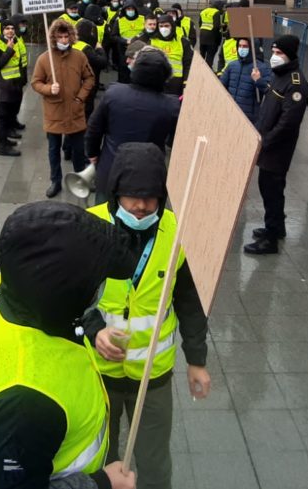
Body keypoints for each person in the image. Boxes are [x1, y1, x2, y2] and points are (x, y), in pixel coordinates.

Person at [0, 200, 138, 489]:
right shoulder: (22, 407)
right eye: (96, 282)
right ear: (64, 299)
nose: (100, 287)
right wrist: (102, 483)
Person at [84, 143, 209, 489]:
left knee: (154, 462)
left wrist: (197, 360)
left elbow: (190, 302)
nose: (140, 206)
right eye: (131, 196)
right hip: (98, 374)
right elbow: (68, 299)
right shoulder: (89, 227)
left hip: (153, 376)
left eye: (151, 197)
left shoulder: (178, 232)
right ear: (115, 193)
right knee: (98, 458)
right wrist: (94, 331)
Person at [86, 47, 180, 204]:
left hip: (110, 173)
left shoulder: (113, 93)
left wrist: (93, 153)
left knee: (101, 219)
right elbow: (174, 142)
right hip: (147, 181)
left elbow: (94, 129)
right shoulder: (171, 106)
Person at [243, 35, 308, 255]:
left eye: (279, 53)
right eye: (273, 52)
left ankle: (270, 240)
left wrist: (267, 141)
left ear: (289, 54)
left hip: (277, 148)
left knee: (271, 190)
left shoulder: (296, 83)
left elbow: (288, 122)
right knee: (269, 188)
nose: (274, 57)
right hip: (268, 143)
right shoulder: (278, 75)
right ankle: (277, 227)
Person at [31, 18, 94, 198]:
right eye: (60, 37)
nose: (64, 40)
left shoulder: (80, 57)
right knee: (53, 150)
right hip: (54, 112)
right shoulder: (44, 59)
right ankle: (55, 181)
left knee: (78, 149)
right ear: (54, 38)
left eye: (67, 36)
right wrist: (48, 89)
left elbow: (89, 78)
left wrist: (80, 98)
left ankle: (81, 180)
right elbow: (35, 82)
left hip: (75, 112)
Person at [0, 20, 23, 157]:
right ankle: (2, 146)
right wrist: (9, 49)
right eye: (7, 28)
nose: (10, 31)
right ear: (2, 30)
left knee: (10, 114)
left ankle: (5, 139)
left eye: (12, 28)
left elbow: (18, 63)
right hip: (3, 87)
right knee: (2, 116)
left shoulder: (16, 41)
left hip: (14, 84)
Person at [219, 36, 269, 123]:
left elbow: (269, 91)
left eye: (245, 46)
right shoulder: (232, 66)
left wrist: (258, 80)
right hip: (229, 113)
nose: (242, 49)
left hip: (248, 118)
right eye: (240, 46)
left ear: (252, 48)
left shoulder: (261, 68)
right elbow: (220, 87)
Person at [72, 19, 108, 119]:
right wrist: (100, 49)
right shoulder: (86, 48)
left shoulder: (71, 44)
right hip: (85, 87)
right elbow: (102, 62)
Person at [154, 14, 193, 96]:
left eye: (166, 26)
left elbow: (188, 64)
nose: (163, 29)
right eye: (161, 26)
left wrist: (186, 83)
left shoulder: (183, 42)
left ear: (172, 26)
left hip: (176, 83)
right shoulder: (152, 41)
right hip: (157, 81)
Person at [114, 0, 143, 84]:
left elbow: (145, 32)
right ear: (125, 10)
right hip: (124, 50)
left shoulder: (142, 19)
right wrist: (125, 41)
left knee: (137, 72)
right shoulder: (119, 20)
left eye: (132, 9)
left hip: (139, 51)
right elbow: (114, 36)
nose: (130, 11)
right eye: (128, 9)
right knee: (124, 72)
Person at [198, 0, 223, 65]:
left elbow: (200, 24)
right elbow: (216, 26)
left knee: (202, 55)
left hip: (202, 36)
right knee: (210, 55)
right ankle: (208, 71)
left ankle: (200, 69)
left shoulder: (203, 11)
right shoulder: (216, 12)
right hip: (211, 37)